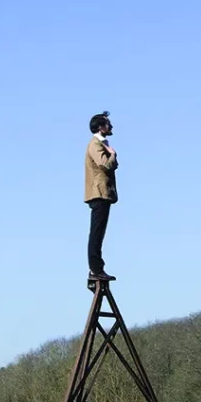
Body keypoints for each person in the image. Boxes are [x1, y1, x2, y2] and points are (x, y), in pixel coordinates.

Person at [85, 111, 118, 281]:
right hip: (99, 193)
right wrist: (112, 154)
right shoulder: (96, 144)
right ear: (100, 127)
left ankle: (97, 268)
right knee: (97, 232)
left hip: (102, 193)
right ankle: (96, 269)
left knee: (99, 232)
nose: (110, 126)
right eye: (107, 123)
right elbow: (105, 165)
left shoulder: (100, 143)